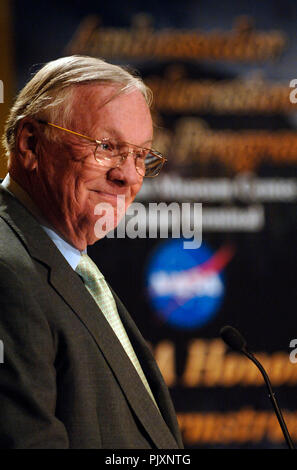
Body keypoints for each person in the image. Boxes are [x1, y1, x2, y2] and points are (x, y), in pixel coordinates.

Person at [0, 55, 183, 449]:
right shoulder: (7, 271)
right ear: (31, 144)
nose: (128, 175)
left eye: (140, 155)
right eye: (106, 146)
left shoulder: (67, 262)